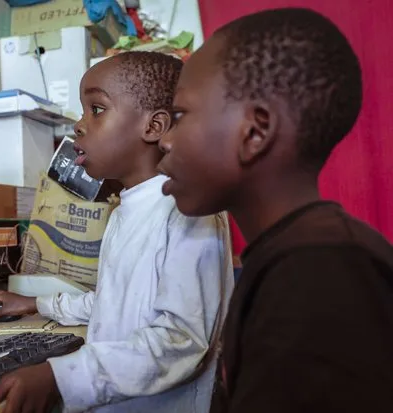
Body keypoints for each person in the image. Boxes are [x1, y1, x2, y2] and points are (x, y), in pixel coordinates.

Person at [156, 8, 393, 413]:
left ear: (255, 132)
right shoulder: (291, 258)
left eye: (179, 116)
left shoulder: (319, 275)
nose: (164, 140)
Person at [0, 51, 234, 413]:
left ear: (153, 126)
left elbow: (181, 341)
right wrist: (36, 304)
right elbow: (117, 304)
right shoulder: (126, 210)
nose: (79, 125)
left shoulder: (189, 211)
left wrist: (62, 377)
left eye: (96, 109)